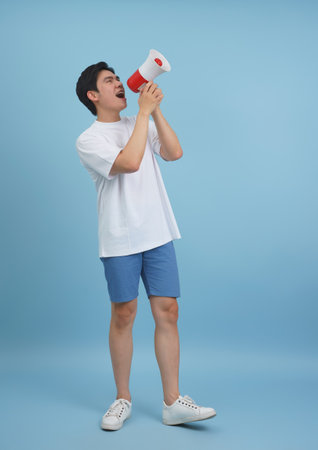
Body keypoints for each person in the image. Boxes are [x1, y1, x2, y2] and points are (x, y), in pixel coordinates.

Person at [75, 61, 217, 430]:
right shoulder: (89, 139)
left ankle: (173, 403)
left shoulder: (141, 120)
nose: (120, 83)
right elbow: (131, 162)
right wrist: (142, 115)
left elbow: (173, 153)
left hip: (157, 233)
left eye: (119, 79)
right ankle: (122, 398)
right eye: (110, 82)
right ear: (94, 96)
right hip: (120, 238)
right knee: (124, 314)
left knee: (168, 311)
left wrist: (155, 111)